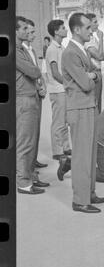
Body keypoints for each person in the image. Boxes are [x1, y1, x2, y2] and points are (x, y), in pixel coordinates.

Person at [61, 12, 104, 213]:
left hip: (89, 105)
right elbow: (87, 83)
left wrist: (92, 75)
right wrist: (92, 75)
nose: (91, 30)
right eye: (88, 27)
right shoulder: (71, 52)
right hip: (79, 107)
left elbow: (94, 73)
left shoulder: (83, 49)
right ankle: (80, 200)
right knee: (81, 155)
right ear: (77, 29)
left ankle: (89, 192)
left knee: (91, 153)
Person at [16, 16, 46, 194]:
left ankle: (30, 175)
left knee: (31, 141)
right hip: (23, 98)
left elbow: (35, 72)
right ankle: (23, 182)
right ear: (15, 31)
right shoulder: (16, 50)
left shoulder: (25, 50)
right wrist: (35, 74)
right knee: (25, 143)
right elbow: (34, 71)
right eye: (25, 29)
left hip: (31, 95)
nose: (28, 32)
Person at [22, 19, 50, 186]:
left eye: (33, 32)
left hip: (37, 94)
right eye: (29, 32)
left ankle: (32, 167)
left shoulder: (31, 50)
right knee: (28, 137)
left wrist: (43, 86)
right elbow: (30, 73)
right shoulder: (22, 51)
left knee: (36, 133)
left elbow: (38, 73)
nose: (32, 35)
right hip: (28, 95)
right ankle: (29, 174)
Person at [46, 19, 71, 161]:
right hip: (57, 89)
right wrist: (68, 84)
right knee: (58, 121)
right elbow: (55, 73)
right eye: (63, 28)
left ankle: (65, 147)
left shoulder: (61, 47)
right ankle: (57, 150)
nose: (66, 30)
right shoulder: (52, 49)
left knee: (65, 120)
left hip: (63, 89)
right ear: (56, 31)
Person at [85, 13, 104, 113]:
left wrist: (101, 55)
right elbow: (99, 56)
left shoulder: (93, 38)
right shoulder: (88, 41)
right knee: (95, 103)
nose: (97, 24)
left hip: (98, 71)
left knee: (98, 101)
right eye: (95, 22)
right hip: (94, 72)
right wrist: (101, 39)